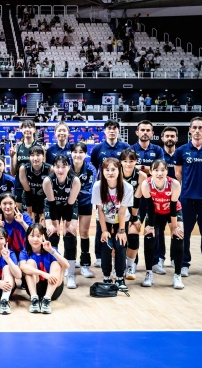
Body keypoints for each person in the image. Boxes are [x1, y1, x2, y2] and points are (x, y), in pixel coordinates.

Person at [174, 117, 202, 278]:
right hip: (186, 198)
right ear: (190, 130)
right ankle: (184, 263)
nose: (198, 130)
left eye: (200, 127)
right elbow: (178, 173)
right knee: (184, 233)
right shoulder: (181, 151)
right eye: (195, 127)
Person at [89, 119, 130, 268]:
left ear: (118, 131)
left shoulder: (125, 147)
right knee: (101, 224)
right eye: (109, 128)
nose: (112, 131)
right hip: (103, 191)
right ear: (105, 131)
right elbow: (95, 165)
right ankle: (100, 256)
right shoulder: (98, 149)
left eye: (114, 128)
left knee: (122, 221)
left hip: (120, 191)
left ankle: (121, 256)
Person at [140, 159, 185, 289]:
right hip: (155, 212)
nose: (159, 173)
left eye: (162, 170)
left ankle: (177, 275)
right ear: (151, 171)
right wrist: (151, 226)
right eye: (156, 170)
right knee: (149, 237)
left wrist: (174, 228)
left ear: (167, 171)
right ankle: (149, 273)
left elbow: (172, 207)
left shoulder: (174, 184)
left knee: (178, 237)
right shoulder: (146, 184)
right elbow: (149, 206)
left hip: (172, 211)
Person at [91, 157, 134, 291]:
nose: (110, 172)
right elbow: (100, 210)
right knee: (106, 245)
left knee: (120, 246)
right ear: (102, 172)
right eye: (107, 169)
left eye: (113, 169)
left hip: (121, 220)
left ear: (119, 170)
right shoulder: (98, 186)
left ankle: (120, 277)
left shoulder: (127, 187)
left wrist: (121, 231)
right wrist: (104, 231)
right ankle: (106, 276)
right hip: (105, 220)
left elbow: (122, 212)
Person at [42, 154, 81, 288]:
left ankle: (70, 274)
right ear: (53, 167)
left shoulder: (75, 181)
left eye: (63, 167)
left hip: (69, 206)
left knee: (70, 235)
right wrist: (54, 225)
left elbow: (70, 205)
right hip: (53, 206)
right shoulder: (48, 181)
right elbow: (52, 205)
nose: (60, 170)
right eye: (57, 167)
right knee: (52, 234)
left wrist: (67, 225)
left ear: (68, 167)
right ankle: (54, 269)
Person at [19, 224, 69, 313]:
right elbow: (22, 267)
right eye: (32, 236)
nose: (35, 239)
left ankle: (46, 300)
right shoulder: (24, 252)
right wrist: (43, 274)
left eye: (38, 236)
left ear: (43, 237)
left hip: (53, 290)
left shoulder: (51, 250)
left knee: (56, 263)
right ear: (27, 238)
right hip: (35, 288)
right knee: (29, 263)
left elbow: (66, 265)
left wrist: (52, 251)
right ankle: (34, 300)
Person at [153, 126, 179, 273]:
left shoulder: (181, 154)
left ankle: (175, 258)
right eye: (167, 136)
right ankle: (160, 259)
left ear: (176, 138)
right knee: (159, 230)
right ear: (162, 138)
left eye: (172, 136)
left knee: (175, 228)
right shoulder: (159, 157)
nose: (170, 138)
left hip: (177, 199)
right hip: (159, 199)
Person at [70, 142, 97, 279]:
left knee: (84, 232)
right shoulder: (66, 166)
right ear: (71, 153)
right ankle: (71, 262)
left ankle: (85, 264)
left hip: (85, 203)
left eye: (81, 152)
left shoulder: (91, 169)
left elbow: (90, 190)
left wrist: (74, 191)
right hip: (69, 204)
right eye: (75, 151)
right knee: (71, 232)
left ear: (85, 154)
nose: (78, 154)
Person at [119, 149, 146, 281]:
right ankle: (117, 266)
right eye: (125, 161)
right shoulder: (116, 174)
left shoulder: (141, 176)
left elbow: (137, 199)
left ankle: (130, 266)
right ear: (120, 162)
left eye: (131, 161)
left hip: (134, 209)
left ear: (136, 161)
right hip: (117, 209)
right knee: (117, 238)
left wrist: (134, 218)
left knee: (134, 234)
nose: (128, 164)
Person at [10, 120, 42, 210]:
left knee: (36, 217)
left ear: (34, 130)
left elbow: (44, 169)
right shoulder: (17, 147)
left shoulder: (40, 147)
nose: (27, 129)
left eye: (30, 127)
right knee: (20, 215)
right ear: (21, 130)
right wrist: (12, 157)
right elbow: (12, 172)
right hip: (20, 186)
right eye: (25, 127)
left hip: (35, 186)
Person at [19, 145, 51, 224]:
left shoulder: (50, 169)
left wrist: (43, 212)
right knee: (29, 222)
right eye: (32, 155)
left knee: (43, 223)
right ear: (29, 157)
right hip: (29, 197)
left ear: (43, 156)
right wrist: (30, 211)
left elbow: (49, 193)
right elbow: (27, 192)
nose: (35, 158)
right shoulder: (24, 169)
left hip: (44, 198)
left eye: (38, 155)